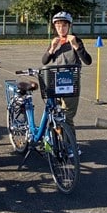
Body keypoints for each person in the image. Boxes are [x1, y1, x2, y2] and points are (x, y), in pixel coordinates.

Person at [41, 11, 92, 145]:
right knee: (55, 113)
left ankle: (70, 146)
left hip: (71, 82)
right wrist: (51, 48)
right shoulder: (55, 41)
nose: (61, 29)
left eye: (64, 25)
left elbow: (88, 61)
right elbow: (45, 61)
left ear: (69, 26)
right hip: (55, 81)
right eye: (58, 26)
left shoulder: (76, 40)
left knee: (67, 116)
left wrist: (76, 46)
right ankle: (57, 142)